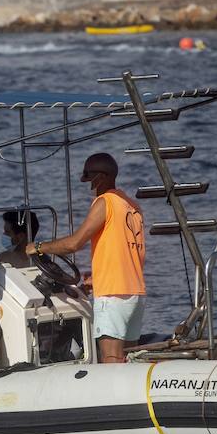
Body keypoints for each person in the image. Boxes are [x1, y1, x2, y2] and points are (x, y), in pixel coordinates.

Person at [28, 153, 145, 364]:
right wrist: (98, 274)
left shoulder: (105, 202)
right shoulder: (131, 206)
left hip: (113, 294)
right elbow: (128, 253)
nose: (89, 184)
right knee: (129, 360)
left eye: (90, 179)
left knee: (111, 360)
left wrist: (38, 247)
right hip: (135, 293)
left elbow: (75, 243)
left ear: (99, 178)